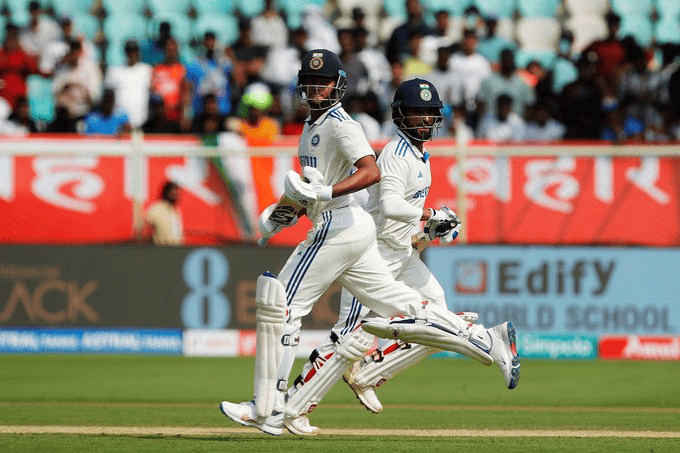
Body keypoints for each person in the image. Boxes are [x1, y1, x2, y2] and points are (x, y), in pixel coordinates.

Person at [219, 49, 520, 436]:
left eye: (322, 82)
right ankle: (485, 341)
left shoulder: (342, 125)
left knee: (283, 306)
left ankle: (271, 408)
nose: (314, 89)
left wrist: (423, 225)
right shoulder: (318, 130)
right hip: (361, 233)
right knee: (402, 308)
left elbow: (368, 173)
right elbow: (315, 189)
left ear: (338, 85)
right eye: (309, 82)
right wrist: (280, 215)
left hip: (341, 226)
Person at [104, 40, 153, 129]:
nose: (131, 53)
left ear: (138, 52)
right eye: (129, 50)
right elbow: (108, 97)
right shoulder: (114, 71)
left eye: (134, 50)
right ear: (125, 52)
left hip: (141, 122)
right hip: (118, 124)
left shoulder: (146, 70)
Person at [145, 181, 183, 246]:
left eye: (177, 192)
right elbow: (145, 228)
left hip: (176, 251)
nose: (176, 195)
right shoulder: (157, 209)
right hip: (162, 250)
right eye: (173, 192)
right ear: (167, 192)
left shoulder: (175, 212)